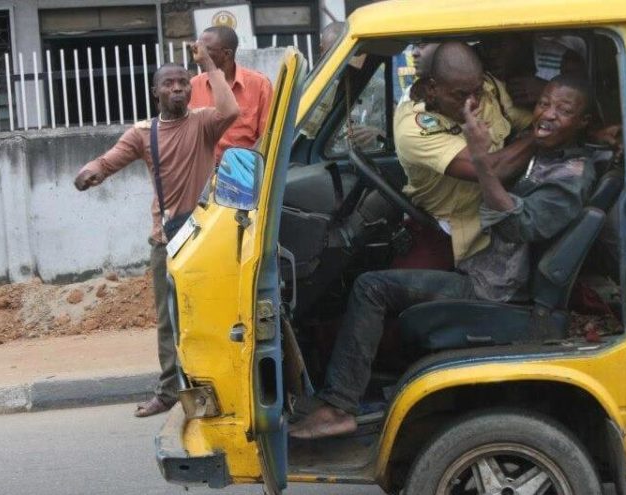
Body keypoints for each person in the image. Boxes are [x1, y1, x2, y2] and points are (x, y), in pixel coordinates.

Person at [289, 75, 596, 439]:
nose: (548, 114)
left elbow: (519, 226)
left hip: (495, 290)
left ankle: (339, 406)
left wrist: (482, 162)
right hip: (485, 268)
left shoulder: (570, 173)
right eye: (544, 103)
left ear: (583, 122)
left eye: (564, 110)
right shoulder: (544, 155)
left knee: (371, 287)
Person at [74, 44, 239, 418]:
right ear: (156, 91)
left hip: (206, 239)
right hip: (167, 240)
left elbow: (232, 110)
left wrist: (209, 65)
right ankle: (168, 392)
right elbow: (109, 159)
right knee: (170, 321)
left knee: (210, 315)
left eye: (183, 82)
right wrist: (91, 172)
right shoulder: (143, 133)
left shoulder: (204, 122)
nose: (178, 88)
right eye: (169, 83)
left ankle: (214, 389)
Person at [394, 41, 535, 265]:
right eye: (460, 96)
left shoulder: (490, 90)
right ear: (432, 89)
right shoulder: (413, 126)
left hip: (499, 224)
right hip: (446, 233)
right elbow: (491, 170)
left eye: (477, 91)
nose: (474, 103)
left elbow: (532, 120)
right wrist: (540, 137)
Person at [189, 26, 272, 161]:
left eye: (206, 50)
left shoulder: (259, 84)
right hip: (204, 171)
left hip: (244, 171)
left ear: (227, 54)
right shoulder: (193, 85)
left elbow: (268, 138)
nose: (199, 54)